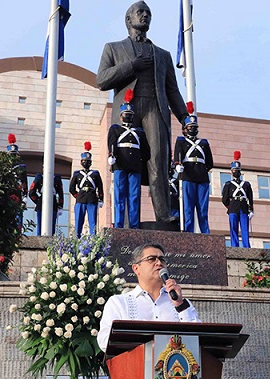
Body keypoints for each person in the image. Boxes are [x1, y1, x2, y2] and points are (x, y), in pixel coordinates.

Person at [96, 1, 188, 223]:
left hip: (155, 108)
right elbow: (101, 80)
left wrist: (184, 116)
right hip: (128, 111)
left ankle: (163, 215)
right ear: (129, 20)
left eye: (148, 13)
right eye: (140, 12)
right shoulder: (113, 48)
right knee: (129, 163)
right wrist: (131, 66)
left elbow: (172, 90)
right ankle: (127, 220)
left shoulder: (162, 55)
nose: (145, 16)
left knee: (158, 160)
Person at [97, 242, 201, 353]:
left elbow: (199, 338)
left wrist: (180, 305)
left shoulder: (180, 302)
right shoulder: (119, 303)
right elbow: (104, 341)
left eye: (162, 259)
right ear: (136, 268)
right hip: (134, 366)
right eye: (152, 259)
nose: (159, 263)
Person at [107, 89, 150, 229]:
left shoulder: (139, 132)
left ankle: (134, 226)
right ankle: (119, 226)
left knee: (134, 198)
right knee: (119, 197)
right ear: (121, 117)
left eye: (130, 115)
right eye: (126, 115)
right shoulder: (115, 129)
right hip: (120, 165)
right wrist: (112, 156)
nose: (128, 117)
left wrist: (140, 163)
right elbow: (112, 144)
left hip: (135, 167)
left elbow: (146, 151)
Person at [173, 102, 213, 234]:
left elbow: (209, 163)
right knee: (188, 208)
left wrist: (200, 170)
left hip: (201, 177)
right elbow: (177, 157)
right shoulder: (181, 141)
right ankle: (189, 232)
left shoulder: (203, 143)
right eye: (189, 127)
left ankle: (205, 233)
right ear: (184, 129)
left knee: (202, 209)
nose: (192, 129)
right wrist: (178, 165)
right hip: (187, 176)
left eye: (194, 127)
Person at [69, 142, 104, 237]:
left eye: (88, 161)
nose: (86, 163)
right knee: (78, 221)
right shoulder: (77, 174)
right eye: (84, 161)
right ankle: (77, 239)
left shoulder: (95, 173)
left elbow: (100, 187)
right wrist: (77, 196)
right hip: (80, 199)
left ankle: (93, 239)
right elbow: (72, 188)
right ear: (81, 162)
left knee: (92, 222)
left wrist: (101, 199)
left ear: (91, 163)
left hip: (92, 198)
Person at [221, 151, 254, 248]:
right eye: (234, 170)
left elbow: (250, 198)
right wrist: (230, 206)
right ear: (231, 172)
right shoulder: (228, 184)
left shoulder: (246, 184)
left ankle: (246, 246)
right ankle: (234, 246)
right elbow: (224, 199)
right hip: (233, 207)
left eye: (238, 170)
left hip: (244, 207)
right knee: (233, 229)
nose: (236, 172)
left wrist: (251, 210)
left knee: (245, 229)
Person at [7, 134, 28, 230]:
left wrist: (24, 197)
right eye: (11, 154)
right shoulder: (4, 167)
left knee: (18, 218)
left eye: (14, 154)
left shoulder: (21, 168)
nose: (12, 156)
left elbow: (24, 183)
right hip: (7, 194)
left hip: (18, 195)